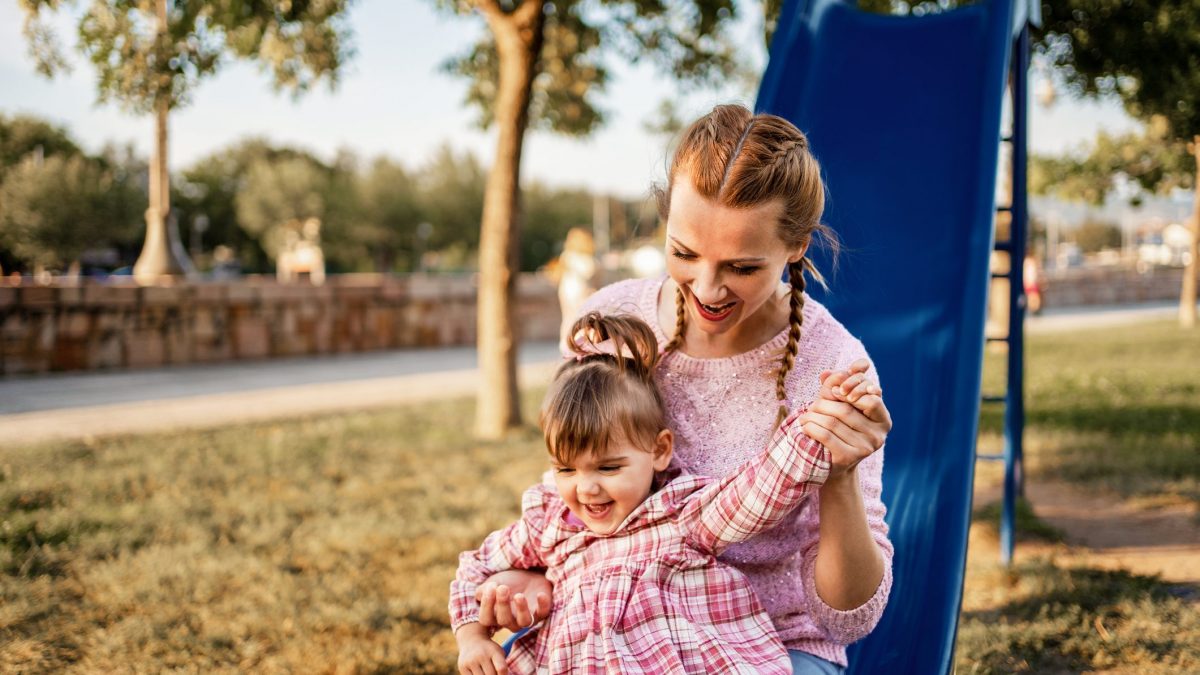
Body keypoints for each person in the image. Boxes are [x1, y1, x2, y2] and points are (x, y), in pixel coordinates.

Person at [472, 103, 895, 674]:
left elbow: (850, 618)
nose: (707, 288)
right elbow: (578, 483)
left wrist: (839, 476)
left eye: (741, 267)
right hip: (616, 633)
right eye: (685, 253)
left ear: (796, 246)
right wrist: (530, 569)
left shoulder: (833, 366)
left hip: (773, 646)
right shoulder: (609, 322)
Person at [451, 312, 847, 674]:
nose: (586, 488)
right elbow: (475, 567)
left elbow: (757, 491)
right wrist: (472, 637)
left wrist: (817, 427)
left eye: (609, 467)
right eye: (565, 469)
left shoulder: (679, 514)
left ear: (659, 451)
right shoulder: (548, 523)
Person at [554, 227, 598, 348]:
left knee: (570, 318)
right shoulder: (581, 258)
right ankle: (576, 342)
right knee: (579, 318)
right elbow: (589, 271)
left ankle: (567, 342)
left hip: (567, 290)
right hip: (578, 291)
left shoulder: (567, 255)